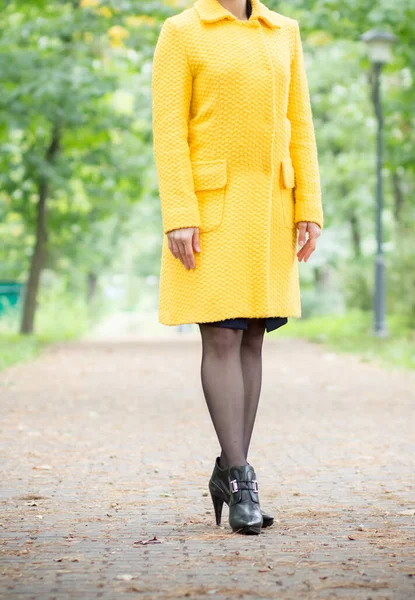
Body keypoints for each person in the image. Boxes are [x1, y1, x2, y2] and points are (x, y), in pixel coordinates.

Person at [151, 0, 324, 535]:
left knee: (253, 336)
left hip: (272, 206)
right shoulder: (182, 31)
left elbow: (301, 126)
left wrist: (309, 207)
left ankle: (230, 470)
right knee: (221, 337)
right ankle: (243, 475)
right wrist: (180, 212)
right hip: (210, 210)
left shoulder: (283, 31)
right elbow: (168, 130)